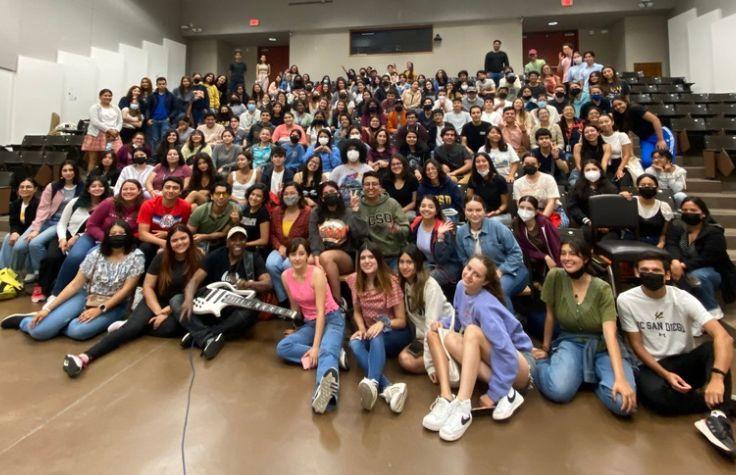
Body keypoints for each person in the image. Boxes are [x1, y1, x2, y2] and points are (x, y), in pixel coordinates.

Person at [618, 252, 735, 456]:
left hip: (684, 361)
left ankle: (717, 415)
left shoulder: (683, 298)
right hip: (652, 365)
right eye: (644, 271)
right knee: (654, 400)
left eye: (656, 271)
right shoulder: (626, 300)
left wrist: (717, 378)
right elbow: (637, 346)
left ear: (667, 275)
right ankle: (724, 402)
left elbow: (724, 337)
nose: (650, 274)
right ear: (636, 272)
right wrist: (665, 374)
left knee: (712, 348)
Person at [60, 225, 199, 377]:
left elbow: (196, 291)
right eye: (175, 240)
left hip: (178, 304)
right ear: (169, 243)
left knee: (170, 329)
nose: (180, 243)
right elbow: (148, 286)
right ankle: (84, 357)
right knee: (131, 330)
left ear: (190, 239)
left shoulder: (199, 258)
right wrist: (158, 311)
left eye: (183, 238)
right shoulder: (162, 257)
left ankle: (133, 324)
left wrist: (168, 311)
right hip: (154, 299)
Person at [422, 255, 534, 441]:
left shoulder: (485, 305)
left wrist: (494, 392)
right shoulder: (461, 287)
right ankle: (506, 394)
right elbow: (459, 318)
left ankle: (463, 404)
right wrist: (443, 323)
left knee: (472, 332)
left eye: (477, 275)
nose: (468, 275)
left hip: (520, 365)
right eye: (468, 269)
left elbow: (506, 351)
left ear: (485, 281)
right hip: (498, 361)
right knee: (448, 337)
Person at [534, 238, 637, 416]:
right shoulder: (555, 277)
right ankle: (540, 366)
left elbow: (610, 335)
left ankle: (590, 376)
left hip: (602, 346)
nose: (567, 258)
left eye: (573, 254)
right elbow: (550, 316)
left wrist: (620, 378)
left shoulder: (602, 289)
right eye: (563, 253)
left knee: (624, 404)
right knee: (558, 391)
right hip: (571, 341)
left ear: (586, 258)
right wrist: (545, 348)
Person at [2, 221, 143, 341]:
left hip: (113, 305)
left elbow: (126, 291)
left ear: (128, 235)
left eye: (121, 233)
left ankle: (56, 322)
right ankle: (26, 322)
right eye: (113, 234)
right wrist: (48, 309)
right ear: (107, 236)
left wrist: (99, 310)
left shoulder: (136, 257)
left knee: (78, 331)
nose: (117, 237)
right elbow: (75, 284)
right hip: (86, 295)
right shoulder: (96, 254)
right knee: (39, 332)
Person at [275, 238, 347, 413]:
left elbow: (321, 312)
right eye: (293, 254)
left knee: (323, 350)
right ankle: (334, 354)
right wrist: (296, 327)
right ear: (288, 257)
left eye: (301, 254)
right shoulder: (285, 276)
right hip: (309, 322)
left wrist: (315, 347)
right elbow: (295, 306)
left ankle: (325, 395)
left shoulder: (316, 274)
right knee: (283, 347)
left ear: (308, 256)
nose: (297, 258)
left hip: (332, 318)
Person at [179, 226, 272, 359]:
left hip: (235, 309)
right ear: (227, 242)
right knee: (177, 300)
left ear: (246, 242)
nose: (238, 243)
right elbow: (194, 280)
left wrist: (249, 284)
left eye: (241, 239)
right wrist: (188, 299)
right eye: (233, 239)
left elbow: (267, 283)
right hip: (211, 306)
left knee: (255, 304)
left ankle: (203, 333)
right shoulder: (216, 255)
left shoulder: (253, 258)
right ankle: (215, 334)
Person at [50, 179, 144, 297]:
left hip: (119, 244)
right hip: (93, 236)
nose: (128, 191)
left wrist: (123, 240)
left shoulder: (143, 207)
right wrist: (105, 238)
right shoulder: (109, 202)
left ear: (139, 191)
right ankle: (56, 293)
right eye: (125, 189)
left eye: (132, 189)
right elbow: (91, 225)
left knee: (92, 255)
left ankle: (83, 294)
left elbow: (140, 232)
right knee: (75, 257)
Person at [348, 243, 411, 413]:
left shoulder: (390, 282)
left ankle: (373, 383)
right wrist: (361, 328)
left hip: (396, 332)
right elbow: (357, 312)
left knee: (377, 335)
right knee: (354, 342)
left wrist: (382, 323)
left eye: (371, 257)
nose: (367, 261)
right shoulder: (355, 280)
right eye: (363, 258)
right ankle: (390, 388)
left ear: (378, 260)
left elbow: (402, 321)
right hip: (371, 333)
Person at [36, 177, 110, 302]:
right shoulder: (76, 202)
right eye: (93, 186)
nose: (97, 189)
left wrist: (78, 237)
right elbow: (62, 223)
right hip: (66, 235)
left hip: (86, 237)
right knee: (52, 257)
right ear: (88, 188)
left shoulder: (108, 205)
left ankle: (68, 292)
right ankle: (44, 289)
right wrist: (62, 239)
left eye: (100, 186)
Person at [13, 161, 83, 286]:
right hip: (46, 220)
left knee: (35, 244)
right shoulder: (53, 186)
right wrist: (36, 229)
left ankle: (41, 274)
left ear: (75, 171)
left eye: (71, 170)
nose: (68, 173)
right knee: (19, 246)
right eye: (65, 170)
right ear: (60, 172)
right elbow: (43, 208)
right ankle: (16, 273)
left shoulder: (81, 187)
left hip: (61, 223)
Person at [666, 197, 736, 321]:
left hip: (714, 271)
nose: (688, 213)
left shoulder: (714, 231)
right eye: (685, 210)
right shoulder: (677, 226)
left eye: (693, 210)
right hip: (683, 266)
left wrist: (683, 266)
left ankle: (712, 310)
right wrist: (675, 261)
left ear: (703, 214)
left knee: (696, 276)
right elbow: (671, 244)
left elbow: (710, 257)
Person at [455, 195, 528, 311]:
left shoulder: (498, 227)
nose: (474, 214)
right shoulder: (461, 232)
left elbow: (516, 253)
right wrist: (475, 274)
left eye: (478, 210)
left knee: (499, 290)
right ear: (464, 211)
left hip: (512, 270)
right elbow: (464, 259)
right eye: (470, 210)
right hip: (482, 274)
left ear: (484, 211)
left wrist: (500, 271)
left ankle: (508, 326)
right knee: (463, 287)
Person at [396, 245, 455, 377]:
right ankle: (445, 361)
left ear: (417, 264)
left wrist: (429, 366)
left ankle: (446, 363)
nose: (405, 266)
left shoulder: (430, 286)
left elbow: (430, 325)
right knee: (404, 359)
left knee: (409, 361)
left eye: (409, 262)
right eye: (401, 262)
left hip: (442, 333)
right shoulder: (403, 283)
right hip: (422, 337)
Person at [308, 181, 369, 306]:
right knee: (307, 262)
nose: (329, 195)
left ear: (339, 193)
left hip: (346, 255)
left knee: (326, 257)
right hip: (323, 251)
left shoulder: (348, 212)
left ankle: (338, 302)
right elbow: (314, 237)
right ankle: (313, 305)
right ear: (321, 198)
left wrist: (356, 211)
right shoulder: (316, 213)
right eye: (325, 193)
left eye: (332, 192)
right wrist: (316, 257)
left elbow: (361, 234)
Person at [267, 183, 312, 306]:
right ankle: (284, 300)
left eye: (292, 193)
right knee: (271, 264)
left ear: (299, 195)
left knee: (289, 265)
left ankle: (298, 300)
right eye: (286, 194)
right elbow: (272, 234)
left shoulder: (307, 212)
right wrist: (279, 246)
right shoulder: (277, 211)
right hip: (280, 247)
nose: (289, 196)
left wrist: (297, 249)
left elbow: (310, 236)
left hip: (298, 249)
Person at [355, 172, 410, 268]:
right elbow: (354, 236)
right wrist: (354, 213)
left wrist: (398, 230)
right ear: (362, 187)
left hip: (395, 255)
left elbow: (406, 230)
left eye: (374, 184)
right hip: (372, 257)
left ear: (380, 186)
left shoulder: (391, 203)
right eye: (367, 184)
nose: (371, 187)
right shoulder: (357, 205)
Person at [410, 195, 462, 290]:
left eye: (430, 207)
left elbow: (442, 259)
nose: (426, 209)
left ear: (437, 210)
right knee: (409, 275)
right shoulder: (417, 222)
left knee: (426, 282)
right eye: (423, 206)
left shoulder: (444, 227)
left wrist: (440, 238)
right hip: (429, 263)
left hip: (448, 266)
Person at [137, 176, 192, 267]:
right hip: (152, 239)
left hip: (173, 238)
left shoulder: (185, 206)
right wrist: (162, 242)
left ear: (180, 191)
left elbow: (183, 229)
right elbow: (142, 234)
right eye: (167, 187)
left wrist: (168, 235)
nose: (170, 191)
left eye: (175, 188)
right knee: (145, 247)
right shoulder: (149, 205)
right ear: (162, 189)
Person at [612, 96, 675, 168]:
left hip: (661, 134)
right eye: (615, 106)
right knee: (646, 162)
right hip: (645, 139)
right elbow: (626, 136)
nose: (618, 107)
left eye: (620, 104)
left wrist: (660, 139)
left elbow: (655, 120)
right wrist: (631, 154)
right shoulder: (618, 117)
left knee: (666, 161)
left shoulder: (635, 108)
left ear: (626, 102)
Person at [513, 195, 561, 284]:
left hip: (553, 259)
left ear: (536, 211)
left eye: (529, 209)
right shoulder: (516, 224)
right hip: (534, 260)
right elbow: (523, 249)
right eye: (522, 207)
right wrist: (544, 257)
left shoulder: (544, 223)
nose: (524, 211)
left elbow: (556, 246)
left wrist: (557, 267)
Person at [513, 153, 566, 228]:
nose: (530, 165)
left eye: (533, 164)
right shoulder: (517, 183)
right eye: (527, 163)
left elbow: (551, 202)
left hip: (552, 211)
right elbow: (519, 204)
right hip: (528, 211)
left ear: (539, 165)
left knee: (556, 227)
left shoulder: (548, 179)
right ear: (522, 164)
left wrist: (542, 220)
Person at [566, 160, 619, 229]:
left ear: (600, 171)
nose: (591, 172)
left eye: (594, 169)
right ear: (583, 173)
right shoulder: (576, 188)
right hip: (585, 224)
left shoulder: (610, 188)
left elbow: (614, 209)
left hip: (608, 226)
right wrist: (587, 221)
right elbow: (573, 207)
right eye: (588, 170)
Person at [187, 181, 238, 251]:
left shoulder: (235, 210)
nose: (221, 197)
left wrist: (236, 222)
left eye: (224, 194)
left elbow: (225, 233)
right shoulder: (200, 211)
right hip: (200, 242)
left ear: (229, 197)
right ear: (211, 196)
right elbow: (190, 233)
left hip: (221, 242)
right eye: (217, 194)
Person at [0, 178, 38, 271]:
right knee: (8, 238)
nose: (24, 189)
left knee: (23, 241)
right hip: (20, 230)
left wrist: (21, 234)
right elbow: (13, 222)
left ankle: (15, 270)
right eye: (22, 187)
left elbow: (36, 223)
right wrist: (14, 232)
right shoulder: (15, 204)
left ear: (35, 189)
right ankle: (3, 268)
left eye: (28, 187)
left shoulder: (38, 204)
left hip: (34, 232)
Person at [627, 174, 674, 247]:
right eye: (643, 185)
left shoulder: (664, 206)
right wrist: (621, 197)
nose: (646, 186)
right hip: (631, 243)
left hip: (655, 244)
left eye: (650, 184)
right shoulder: (630, 202)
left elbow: (664, 233)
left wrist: (661, 243)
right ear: (637, 188)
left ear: (657, 188)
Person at [82, 89, 123, 172]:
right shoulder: (95, 107)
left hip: (113, 135)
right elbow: (94, 121)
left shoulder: (116, 108)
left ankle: (110, 178)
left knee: (115, 156)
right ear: (100, 97)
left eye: (109, 95)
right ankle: (89, 179)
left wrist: (116, 130)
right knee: (93, 160)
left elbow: (120, 121)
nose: (108, 97)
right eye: (105, 95)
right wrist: (108, 130)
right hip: (97, 135)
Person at [465, 152, 510, 224]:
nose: (481, 164)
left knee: (489, 223)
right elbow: (469, 199)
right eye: (477, 162)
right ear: (474, 165)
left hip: (498, 215)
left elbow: (504, 205)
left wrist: (495, 212)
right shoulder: (473, 178)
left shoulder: (499, 179)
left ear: (489, 163)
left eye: (484, 161)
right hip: (479, 213)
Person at [598, 114, 633, 188]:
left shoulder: (621, 135)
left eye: (606, 121)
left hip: (620, 164)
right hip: (604, 166)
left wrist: (620, 169)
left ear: (612, 122)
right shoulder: (598, 137)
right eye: (601, 122)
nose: (604, 124)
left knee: (624, 182)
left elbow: (627, 154)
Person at [238, 183, 271, 257]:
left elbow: (264, 240)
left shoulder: (263, 213)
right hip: (242, 245)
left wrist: (245, 244)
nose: (254, 198)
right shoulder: (246, 209)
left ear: (263, 199)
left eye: (258, 196)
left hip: (255, 250)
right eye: (252, 194)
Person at [146, 77, 177, 149]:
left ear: (166, 84)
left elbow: (175, 109)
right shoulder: (152, 95)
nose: (161, 85)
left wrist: (169, 118)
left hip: (165, 120)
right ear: (156, 85)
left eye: (163, 84)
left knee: (164, 139)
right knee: (154, 139)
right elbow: (148, 108)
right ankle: (154, 157)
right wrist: (148, 119)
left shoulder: (171, 95)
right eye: (159, 84)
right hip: (154, 120)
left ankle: (163, 156)